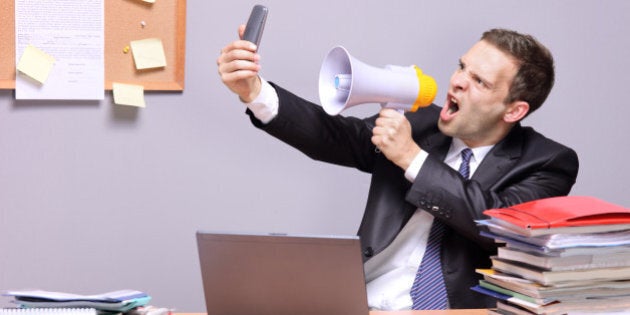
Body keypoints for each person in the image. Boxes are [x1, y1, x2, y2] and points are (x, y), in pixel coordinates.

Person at [217, 25, 579, 310]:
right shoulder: (421, 123)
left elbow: (495, 223)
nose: (457, 81)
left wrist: (411, 158)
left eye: (479, 81)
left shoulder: (548, 162)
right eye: (462, 66)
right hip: (366, 304)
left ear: (514, 110)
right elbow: (335, 136)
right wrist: (254, 91)